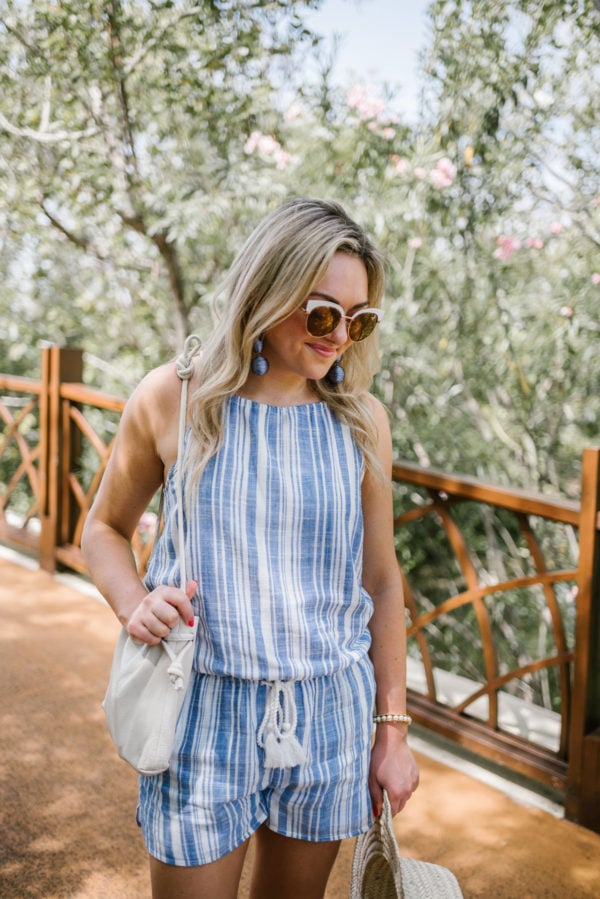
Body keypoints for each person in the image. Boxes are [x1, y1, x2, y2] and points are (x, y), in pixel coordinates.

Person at [82, 197, 419, 899]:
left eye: (359, 321)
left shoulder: (362, 422)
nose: (341, 338)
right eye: (324, 313)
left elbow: (382, 582)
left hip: (329, 714)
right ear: (267, 290)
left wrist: (392, 732)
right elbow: (103, 528)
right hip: (199, 711)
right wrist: (132, 600)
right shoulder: (173, 398)